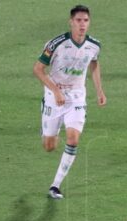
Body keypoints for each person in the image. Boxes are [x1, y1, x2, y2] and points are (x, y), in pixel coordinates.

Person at [33, 4, 107, 199]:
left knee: (73, 139)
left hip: (76, 97)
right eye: (78, 20)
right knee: (49, 146)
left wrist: (99, 90)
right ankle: (48, 126)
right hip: (53, 96)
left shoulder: (94, 45)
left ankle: (55, 186)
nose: (82, 24)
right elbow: (38, 69)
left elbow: (94, 63)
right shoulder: (55, 44)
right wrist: (55, 90)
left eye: (86, 20)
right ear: (71, 22)